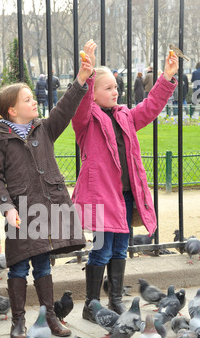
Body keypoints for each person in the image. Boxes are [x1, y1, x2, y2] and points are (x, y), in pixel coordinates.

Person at [0, 54, 93, 338]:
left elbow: (65, 108)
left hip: (48, 207)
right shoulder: (0, 140)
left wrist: (82, 78)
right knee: (19, 265)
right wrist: (6, 207)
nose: (34, 102)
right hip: (20, 212)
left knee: (43, 265)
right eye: (28, 99)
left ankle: (49, 317)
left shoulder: (44, 128)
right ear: (11, 110)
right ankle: (18, 321)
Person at [71, 39, 178, 322]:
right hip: (102, 199)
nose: (115, 91)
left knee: (120, 249)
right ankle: (91, 305)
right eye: (108, 88)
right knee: (101, 251)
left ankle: (115, 299)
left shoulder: (125, 116)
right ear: (93, 94)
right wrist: (88, 73)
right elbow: (79, 103)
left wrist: (166, 78)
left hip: (126, 195)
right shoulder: (86, 120)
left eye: (117, 87)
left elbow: (151, 106)